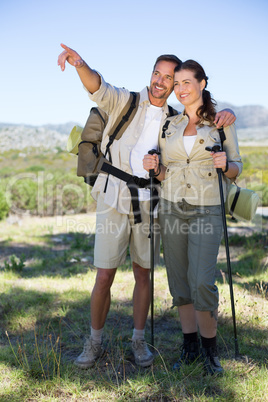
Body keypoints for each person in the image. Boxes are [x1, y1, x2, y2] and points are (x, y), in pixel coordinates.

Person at [58, 44, 236, 369]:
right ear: (151, 74)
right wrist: (80, 64)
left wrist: (227, 116)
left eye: (169, 78)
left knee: (144, 273)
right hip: (114, 196)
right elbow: (98, 86)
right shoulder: (126, 101)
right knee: (104, 275)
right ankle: (94, 342)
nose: (161, 81)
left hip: (152, 203)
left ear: (175, 84)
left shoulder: (174, 120)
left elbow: (197, 138)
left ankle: (139, 341)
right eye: (157, 73)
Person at [143, 60, 242, 375]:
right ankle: (190, 346)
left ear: (202, 83)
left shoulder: (220, 121)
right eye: (178, 83)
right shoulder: (168, 125)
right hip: (171, 207)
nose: (182, 88)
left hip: (206, 207)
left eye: (188, 82)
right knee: (180, 283)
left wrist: (225, 163)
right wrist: (153, 167)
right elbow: (163, 173)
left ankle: (211, 351)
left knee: (202, 282)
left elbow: (236, 169)